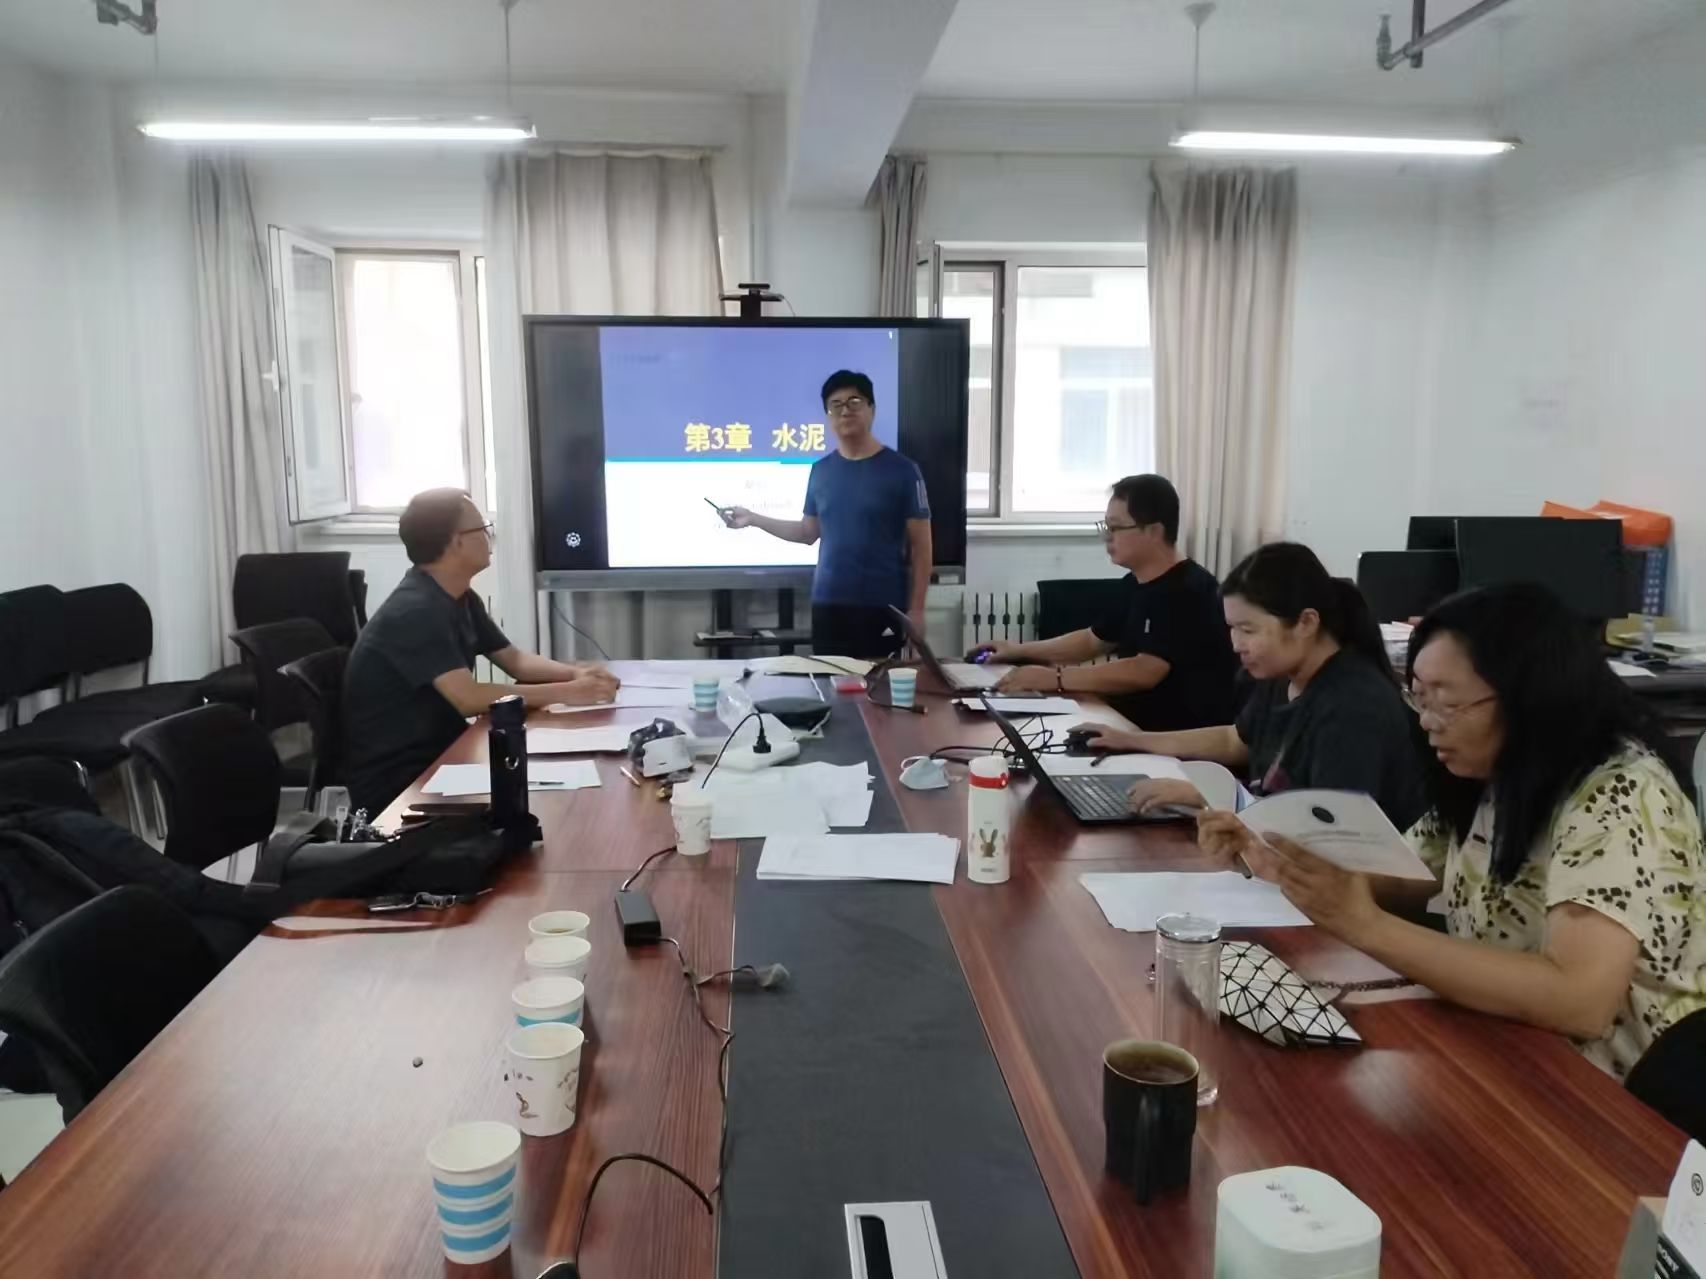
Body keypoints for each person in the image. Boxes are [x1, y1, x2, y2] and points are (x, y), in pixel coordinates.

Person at [1198, 583, 1706, 1078]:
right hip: (1503, 1044)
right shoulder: (1489, 776)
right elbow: (1402, 874)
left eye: (1446, 702)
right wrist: (1278, 861)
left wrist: (1365, 925)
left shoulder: (1619, 793)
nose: (1426, 722)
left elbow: (1579, 1001)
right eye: (1419, 697)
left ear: (1529, 697)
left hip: (1609, 1090)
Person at [1083, 541, 1425, 826]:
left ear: (1306, 623)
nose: (1236, 644)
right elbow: (1235, 740)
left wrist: (1210, 796)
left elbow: (1326, 824)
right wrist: (1133, 740)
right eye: (1232, 628)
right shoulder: (1283, 673)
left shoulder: (1353, 706)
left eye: (1248, 630)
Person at [342, 488, 618, 816]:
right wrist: (568, 692)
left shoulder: (457, 596)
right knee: (548, 805)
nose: (490, 536)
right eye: (483, 528)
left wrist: (577, 674)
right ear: (456, 542)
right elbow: (468, 698)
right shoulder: (415, 611)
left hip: (444, 753)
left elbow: (516, 661)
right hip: (402, 779)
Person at [969, 474, 1236, 730]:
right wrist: (1017, 650)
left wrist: (1055, 678)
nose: (1107, 536)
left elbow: (1145, 671)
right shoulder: (1135, 583)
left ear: (1154, 531)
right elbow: (1092, 640)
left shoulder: (1188, 591)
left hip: (1175, 738)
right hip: (1133, 724)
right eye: (1106, 526)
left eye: (1116, 527)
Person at [721, 370, 931, 659]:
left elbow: (922, 547)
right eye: (836, 405)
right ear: (828, 415)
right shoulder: (821, 471)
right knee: (828, 681)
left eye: (854, 402)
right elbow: (807, 533)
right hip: (828, 605)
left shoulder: (903, 470)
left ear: (872, 409)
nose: (845, 411)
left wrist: (917, 609)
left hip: (883, 605)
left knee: (880, 684)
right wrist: (753, 519)